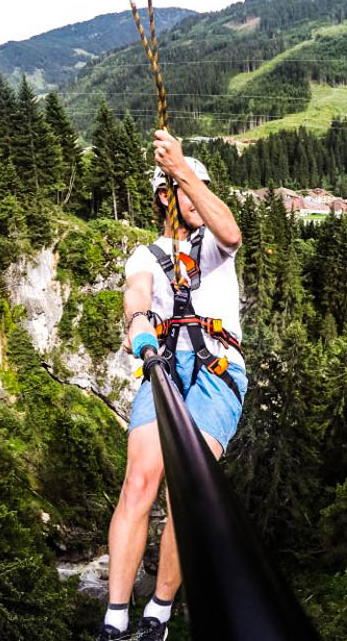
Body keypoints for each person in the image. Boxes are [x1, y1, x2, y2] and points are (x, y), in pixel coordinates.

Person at [97, 130, 248, 641]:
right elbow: (137, 292)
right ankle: (116, 619)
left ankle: (158, 614)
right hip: (163, 366)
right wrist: (138, 322)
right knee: (139, 481)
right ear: (166, 197)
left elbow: (231, 232)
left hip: (217, 370)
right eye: (185, 189)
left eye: (200, 187)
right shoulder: (147, 253)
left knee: (187, 488)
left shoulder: (216, 248)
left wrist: (183, 168)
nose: (197, 199)